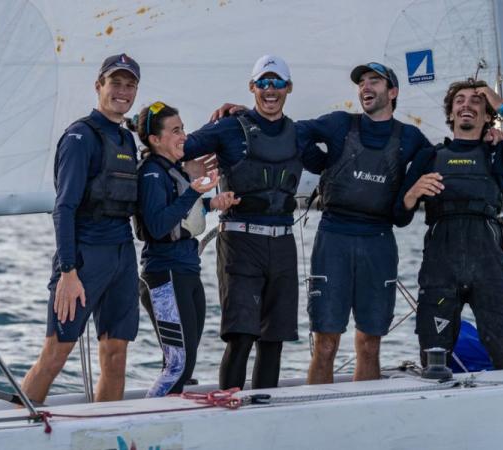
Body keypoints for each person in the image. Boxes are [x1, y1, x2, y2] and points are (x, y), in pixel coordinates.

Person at [296, 62, 432, 383]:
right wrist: (321, 163)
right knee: (326, 344)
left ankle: (365, 420)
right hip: (334, 238)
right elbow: (295, 132)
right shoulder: (340, 124)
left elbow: (404, 213)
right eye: (361, 83)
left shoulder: (411, 139)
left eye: (374, 81)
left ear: (393, 92)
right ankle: (318, 420)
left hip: (378, 241)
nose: (365, 87)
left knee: (370, 344)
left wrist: (490, 135)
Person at [400, 80, 503, 369]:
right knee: (434, 363)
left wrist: (501, 104)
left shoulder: (499, 153)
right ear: (451, 113)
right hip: (440, 269)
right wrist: (413, 193)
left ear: (486, 114)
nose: (466, 104)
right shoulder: (428, 157)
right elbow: (399, 216)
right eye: (460, 101)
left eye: (476, 101)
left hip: (488, 268)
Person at [21, 54, 142, 404]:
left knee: (116, 355)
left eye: (129, 85)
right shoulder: (79, 137)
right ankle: (20, 426)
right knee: (56, 353)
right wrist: (68, 271)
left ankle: (106, 431)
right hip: (85, 258)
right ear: (98, 86)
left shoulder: (126, 140)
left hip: (122, 254)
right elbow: (64, 208)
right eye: (115, 83)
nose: (122, 91)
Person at [182, 55, 304, 390]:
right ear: (252, 87)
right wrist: (188, 172)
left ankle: (264, 411)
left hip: (282, 243)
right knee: (241, 336)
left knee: (273, 340)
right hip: (240, 241)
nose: (270, 89)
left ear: (288, 88)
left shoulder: (300, 133)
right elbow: (174, 147)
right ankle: (228, 408)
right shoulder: (227, 128)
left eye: (277, 82)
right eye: (262, 82)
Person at [133, 101, 239, 397]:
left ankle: (170, 425)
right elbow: (157, 225)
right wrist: (195, 190)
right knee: (177, 365)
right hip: (164, 273)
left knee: (187, 361)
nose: (184, 136)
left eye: (183, 128)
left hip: (186, 269)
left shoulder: (171, 171)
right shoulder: (152, 173)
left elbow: (180, 213)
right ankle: (146, 423)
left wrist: (211, 203)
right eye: (176, 130)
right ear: (155, 140)